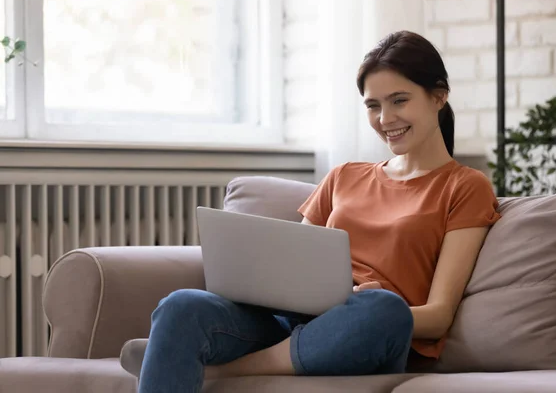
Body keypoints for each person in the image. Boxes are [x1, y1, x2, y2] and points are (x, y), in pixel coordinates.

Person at [137, 30, 501, 392]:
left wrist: (359, 304)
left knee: (383, 307)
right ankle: (180, 353)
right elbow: (292, 273)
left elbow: (438, 317)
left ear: (439, 96)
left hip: (369, 329)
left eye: (399, 101)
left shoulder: (465, 187)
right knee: (181, 305)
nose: (385, 118)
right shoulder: (344, 175)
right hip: (295, 322)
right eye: (373, 106)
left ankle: (219, 370)